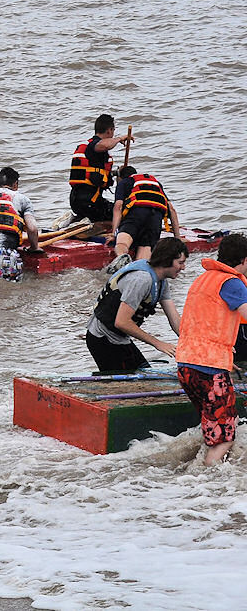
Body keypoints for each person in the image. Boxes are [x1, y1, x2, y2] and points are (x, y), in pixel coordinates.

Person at [174, 233, 247, 465]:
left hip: (186, 365)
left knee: (213, 429)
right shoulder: (232, 283)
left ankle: (198, 472)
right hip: (208, 369)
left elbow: (205, 323)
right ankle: (207, 484)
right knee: (225, 435)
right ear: (244, 260)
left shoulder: (204, 279)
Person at [83, 236, 188, 373]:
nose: (183, 267)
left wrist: (191, 345)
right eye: (180, 262)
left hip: (120, 338)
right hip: (102, 338)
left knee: (144, 374)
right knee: (130, 385)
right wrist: (158, 344)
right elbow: (121, 322)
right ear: (167, 260)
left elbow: (174, 319)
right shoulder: (141, 279)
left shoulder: (161, 281)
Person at [105, 166, 180, 271]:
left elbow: (118, 206)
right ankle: (139, 270)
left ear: (121, 177)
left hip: (137, 213)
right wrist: (178, 239)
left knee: (122, 243)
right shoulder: (155, 183)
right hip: (155, 218)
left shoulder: (124, 182)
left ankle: (122, 257)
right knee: (145, 249)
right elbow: (171, 210)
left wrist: (114, 233)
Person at [69, 114, 132, 223]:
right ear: (109, 130)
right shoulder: (93, 146)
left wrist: (117, 173)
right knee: (123, 213)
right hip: (89, 203)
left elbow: (98, 174)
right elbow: (103, 145)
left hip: (81, 201)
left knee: (113, 209)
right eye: (113, 131)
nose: (113, 134)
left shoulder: (95, 154)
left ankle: (80, 220)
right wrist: (120, 138)